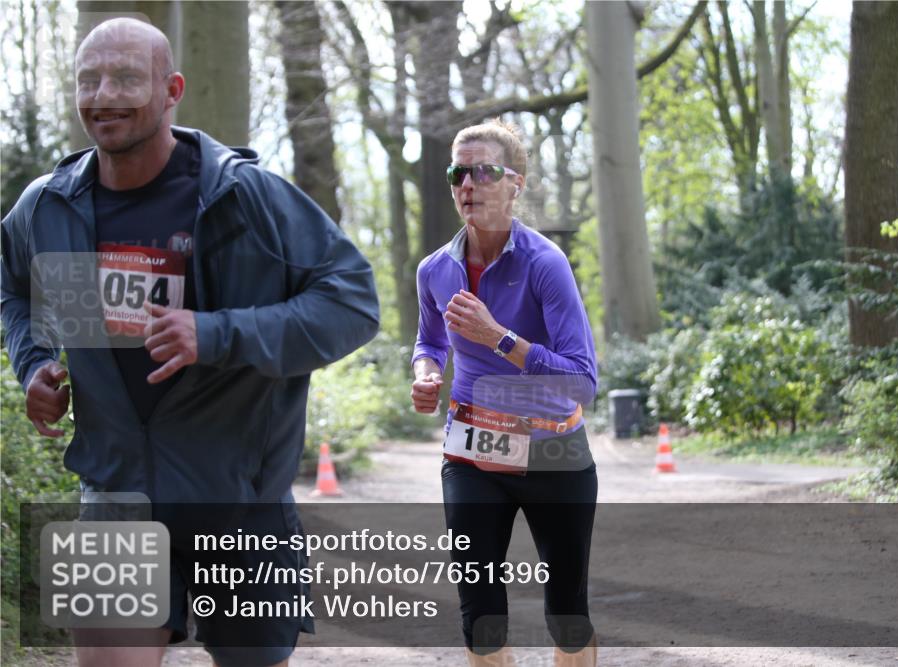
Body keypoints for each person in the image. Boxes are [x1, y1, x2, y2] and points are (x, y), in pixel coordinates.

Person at [1, 17, 379, 667]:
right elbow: (13, 289)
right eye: (88, 79)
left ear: (172, 88)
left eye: (125, 77)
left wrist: (217, 333)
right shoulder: (48, 205)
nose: (103, 94)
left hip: (240, 501)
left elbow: (352, 300)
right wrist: (33, 362)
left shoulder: (245, 195)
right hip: (113, 495)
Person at [410, 119, 599, 666]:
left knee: (567, 616)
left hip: (553, 454)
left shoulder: (546, 264)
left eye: (484, 171)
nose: (468, 183)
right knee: (481, 619)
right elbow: (428, 340)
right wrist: (426, 373)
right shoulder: (435, 270)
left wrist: (499, 338)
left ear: (515, 184)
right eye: (458, 172)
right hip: (473, 456)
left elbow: (582, 381)